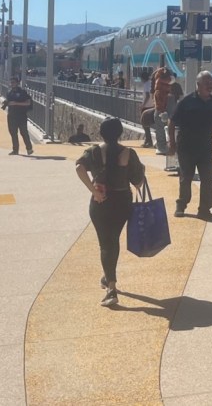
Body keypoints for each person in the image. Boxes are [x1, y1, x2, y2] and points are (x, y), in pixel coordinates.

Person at [74, 117, 146, 307]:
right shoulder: (128, 153)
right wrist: (141, 171)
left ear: (102, 133)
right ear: (120, 132)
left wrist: (94, 191)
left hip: (101, 201)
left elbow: (79, 167)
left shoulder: (94, 151)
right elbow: (138, 183)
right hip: (122, 202)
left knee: (106, 244)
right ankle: (108, 278)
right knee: (112, 241)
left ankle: (111, 288)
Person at [167, 71, 212, 220]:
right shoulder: (186, 101)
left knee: (208, 179)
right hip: (186, 146)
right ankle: (181, 205)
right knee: (186, 178)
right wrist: (171, 143)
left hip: (205, 147)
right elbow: (171, 122)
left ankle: (204, 210)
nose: (209, 86)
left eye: (211, 83)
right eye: (206, 83)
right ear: (198, 85)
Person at [2, 76, 34, 155]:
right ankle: (15, 150)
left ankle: (29, 149)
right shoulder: (9, 92)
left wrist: (16, 103)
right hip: (11, 115)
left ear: (17, 83)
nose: (12, 84)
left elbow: (28, 102)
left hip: (21, 115)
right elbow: (8, 101)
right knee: (13, 133)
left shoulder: (23, 92)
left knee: (24, 132)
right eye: (11, 82)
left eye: (13, 82)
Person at [150, 68, 177, 154]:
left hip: (161, 112)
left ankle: (162, 146)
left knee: (161, 129)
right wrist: (162, 111)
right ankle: (162, 147)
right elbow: (159, 103)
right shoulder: (161, 90)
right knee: (163, 129)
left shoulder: (160, 88)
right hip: (162, 112)